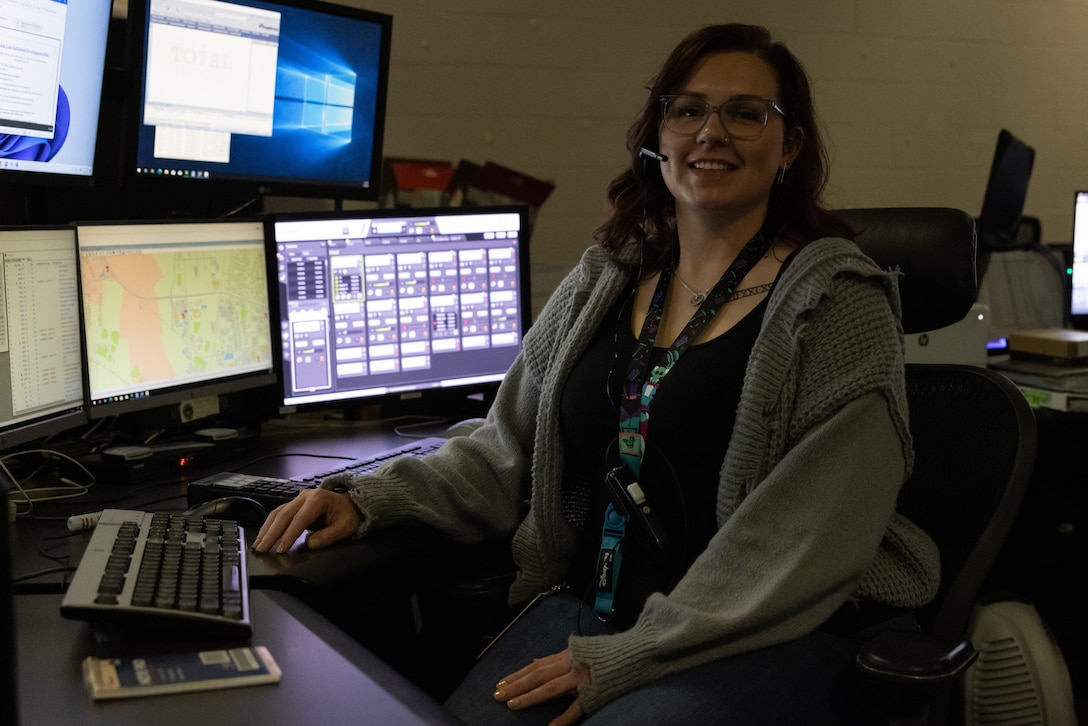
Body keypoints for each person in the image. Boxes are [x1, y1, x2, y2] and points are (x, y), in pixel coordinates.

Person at [254, 23, 940, 725]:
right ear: (658, 134)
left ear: (789, 144)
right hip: (596, 618)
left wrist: (633, 655)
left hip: (768, 635)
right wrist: (369, 499)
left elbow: (802, 543)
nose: (711, 132)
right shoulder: (602, 282)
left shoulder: (838, 306)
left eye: (745, 113)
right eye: (688, 109)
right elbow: (502, 450)